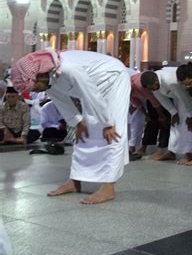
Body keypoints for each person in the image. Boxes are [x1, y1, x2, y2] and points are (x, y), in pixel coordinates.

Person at [11, 49, 130, 204]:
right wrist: (77, 122)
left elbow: (90, 93)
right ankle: (75, 181)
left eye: (35, 87)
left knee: (114, 131)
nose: (37, 91)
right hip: (91, 87)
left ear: (40, 75)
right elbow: (60, 100)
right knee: (85, 133)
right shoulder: (48, 78)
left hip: (113, 78)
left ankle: (109, 187)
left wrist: (107, 123)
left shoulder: (68, 68)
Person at [150, 67, 192, 164]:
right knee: (175, 123)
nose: (152, 89)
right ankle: (172, 151)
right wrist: (173, 112)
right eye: (151, 88)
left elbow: (185, 98)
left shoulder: (170, 81)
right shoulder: (152, 83)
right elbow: (161, 99)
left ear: (156, 81)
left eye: (153, 87)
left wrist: (190, 116)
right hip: (178, 97)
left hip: (189, 94)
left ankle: (188, 153)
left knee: (190, 125)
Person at [128, 70, 168, 160]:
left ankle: (161, 150)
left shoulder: (140, 85)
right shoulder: (127, 91)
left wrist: (161, 115)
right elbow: (137, 103)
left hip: (160, 93)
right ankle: (143, 148)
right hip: (151, 96)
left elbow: (155, 101)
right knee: (151, 121)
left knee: (164, 122)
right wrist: (146, 115)